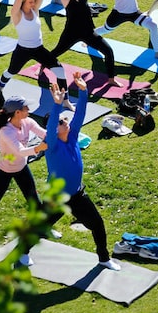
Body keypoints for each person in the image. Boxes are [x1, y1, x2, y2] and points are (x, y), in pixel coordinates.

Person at [45, 75, 121, 271]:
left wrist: (84, 91)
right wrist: (56, 106)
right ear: (54, 129)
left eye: (64, 119)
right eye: (62, 122)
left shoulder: (72, 137)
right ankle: (23, 253)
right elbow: (53, 121)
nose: (66, 121)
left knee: (97, 224)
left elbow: (80, 114)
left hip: (77, 195)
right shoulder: (51, 145)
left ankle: (104, 258)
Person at [0, 0, 72, 110]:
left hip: (38, 49)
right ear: (23, 2)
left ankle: (66, 101)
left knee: (60, 71)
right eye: (30, 2)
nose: (33, 4)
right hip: (23, 50)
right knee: (11, 72)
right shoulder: (17, 14)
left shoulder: (35, 10)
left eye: (34, 2)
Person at [0, 95, 48, 238]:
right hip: (4, 170)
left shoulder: (28, 121)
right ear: (17, 112)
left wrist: (59, 134)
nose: (28, 109)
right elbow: (20, 151)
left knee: (33, 198)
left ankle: (43, 228)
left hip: (21, 168)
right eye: (25, 108)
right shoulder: (6, 131)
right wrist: (39, 148)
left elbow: (44, 133)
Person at [51, 0, 121, 87]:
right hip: (71, 33)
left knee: (108, 51)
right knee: (56, 52)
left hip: (88, 32)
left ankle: (111, 79)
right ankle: (42, 66)